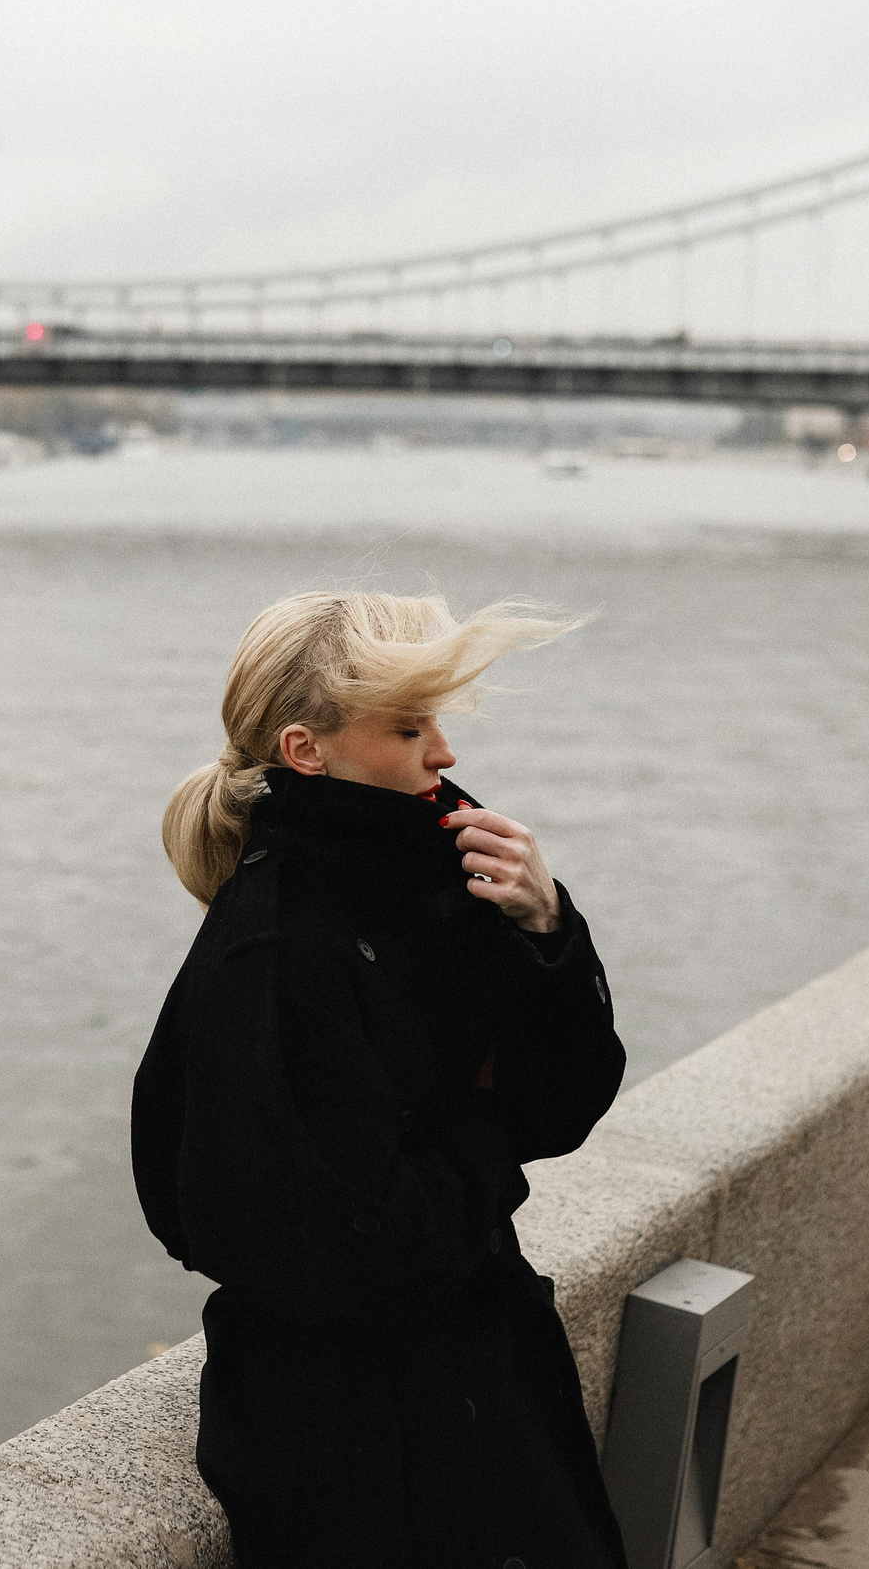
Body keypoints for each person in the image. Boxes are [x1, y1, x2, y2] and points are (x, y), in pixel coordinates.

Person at [130, 591, 629, 1568]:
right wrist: (486, 1141)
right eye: (409, 726)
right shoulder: (271, 955)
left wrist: (546, 927)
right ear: (307, 750)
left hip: (469, 1376)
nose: (442, 752)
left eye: (437, 721)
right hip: (352, 1440)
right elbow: (352, 1246)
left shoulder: (436, 877)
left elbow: (562, 1105)